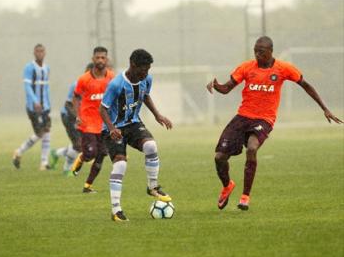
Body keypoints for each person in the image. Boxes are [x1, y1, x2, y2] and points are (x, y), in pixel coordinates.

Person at [206, 36, 342, 211]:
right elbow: (226, 89)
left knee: (252, 147)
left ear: (270, 51)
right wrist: (216, 85)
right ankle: (227, 185)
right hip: (242, 117)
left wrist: (325, 108)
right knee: (219, 157)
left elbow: (306, 85)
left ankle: (245, 197)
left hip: (264, 118)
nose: (257, 54)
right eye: (255, 50)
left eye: (260, 51)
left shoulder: (284, 68)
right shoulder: (247, 67)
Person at [100, 49, 173, 221]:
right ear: (133, 65)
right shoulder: (117, 84)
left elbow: (145, 95)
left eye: (148, 70)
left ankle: (153, 187)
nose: (146, 73)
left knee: (151, 146)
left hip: (133, 123)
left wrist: (157, 115)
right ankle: (116, 210)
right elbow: (102, 108)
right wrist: (111, 129)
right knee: (120, 165)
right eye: (143, 70)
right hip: (113, 129)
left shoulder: (146, 79)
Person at [70, 47, 115, 193]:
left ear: (106, 60)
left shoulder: (112, 78)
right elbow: (76, 97)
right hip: (88, 123)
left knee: (102, 154)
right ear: (93, 59)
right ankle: (82, 158)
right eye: (98, 57)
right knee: (91, 154)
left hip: (105, 123)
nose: (100, 60)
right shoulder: (84, 79)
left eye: (103, 57)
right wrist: (77, 115)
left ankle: (87, 186)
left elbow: (117, 96)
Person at [49, 63, 94, 175]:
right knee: (78, 145)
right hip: (68, 116)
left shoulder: (94, 86)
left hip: (81, 118)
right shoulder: (77, 84)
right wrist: (77, 117)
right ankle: (67, 169)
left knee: (82, 144)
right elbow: (68, 104)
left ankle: (56, 153)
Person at [13, 44, 52, 171]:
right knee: (40, 133)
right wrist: (35, 101)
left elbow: (46, 88)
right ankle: (19, 151)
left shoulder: (47, 68)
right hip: (33, 107)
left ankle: (44, 163)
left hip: (45, 106)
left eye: (42, 51)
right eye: (38, 51)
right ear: (34, 53)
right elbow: (27, 87)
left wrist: (48, 103)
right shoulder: (29, 68)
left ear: (45, 53)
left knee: (47, 131)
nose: (40, 53)